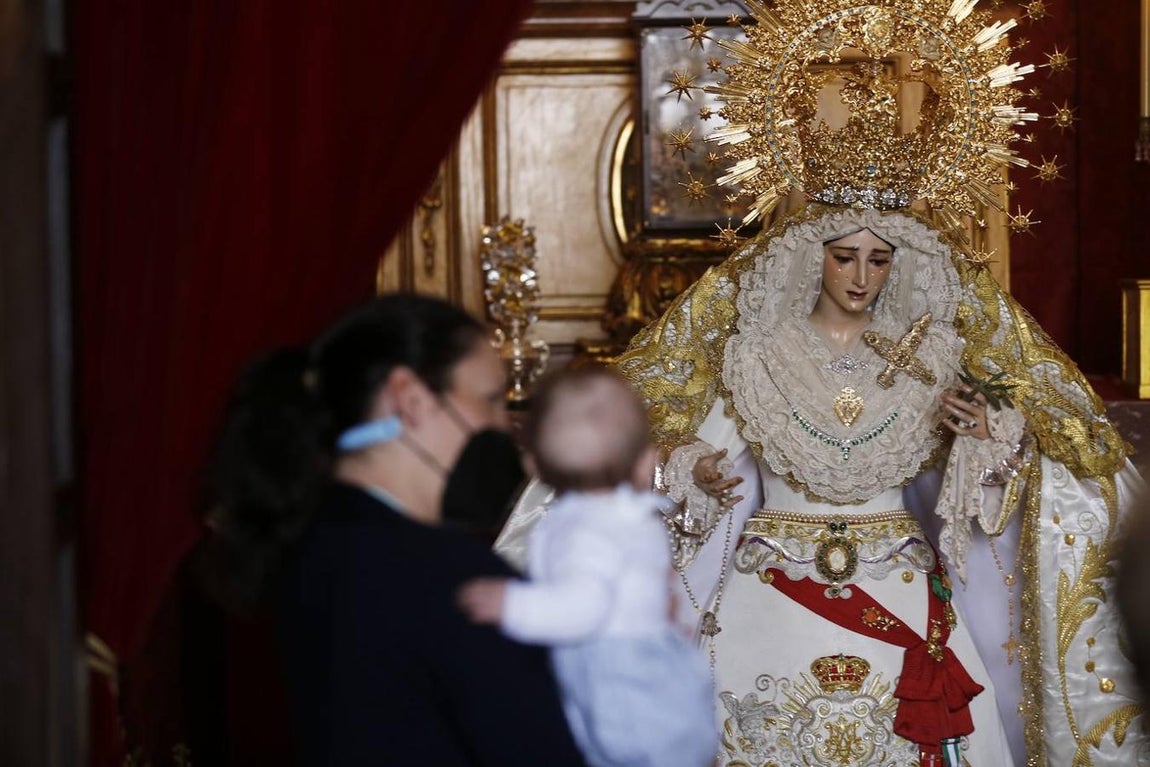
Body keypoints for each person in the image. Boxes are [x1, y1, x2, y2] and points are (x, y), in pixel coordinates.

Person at [496, 2, 1150, 763]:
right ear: (814, 253)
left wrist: (988, 441)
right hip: (770, 589)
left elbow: (981, 497)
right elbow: (688, 447)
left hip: (902, 586)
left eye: (880, 261)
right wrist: (694, 467)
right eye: (846, 257)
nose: (862, 278)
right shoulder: (758, 352)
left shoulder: (931, 354)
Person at [206, 293, 586, 766]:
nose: (502, 427)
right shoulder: (454, 577)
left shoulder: (304, 534)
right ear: (409, 398)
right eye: (489, 400)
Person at [459, 367, 717, 767]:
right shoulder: (633, 516)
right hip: (660, 667)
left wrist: (511, 605)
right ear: (645, 464)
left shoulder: (586, 528)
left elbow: (583, 608)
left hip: (615, 678)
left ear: (534, 468)